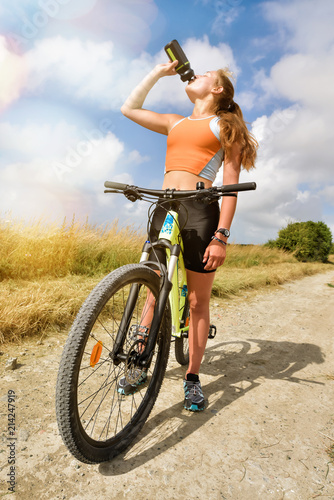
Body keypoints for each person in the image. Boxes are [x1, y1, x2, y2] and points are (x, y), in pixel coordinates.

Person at [120, 58, 258, 411]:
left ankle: (192, 377)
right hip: (166, 207)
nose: (196, 74)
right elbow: (128, 108)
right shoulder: (174, 122)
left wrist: (222, 236)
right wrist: (156, 72)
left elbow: (229, 187)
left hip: (200, 211)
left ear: (217, 90)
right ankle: (137, 361)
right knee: (153, 290)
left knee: (198, 301)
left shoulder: (223, 126)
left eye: (207, 74)